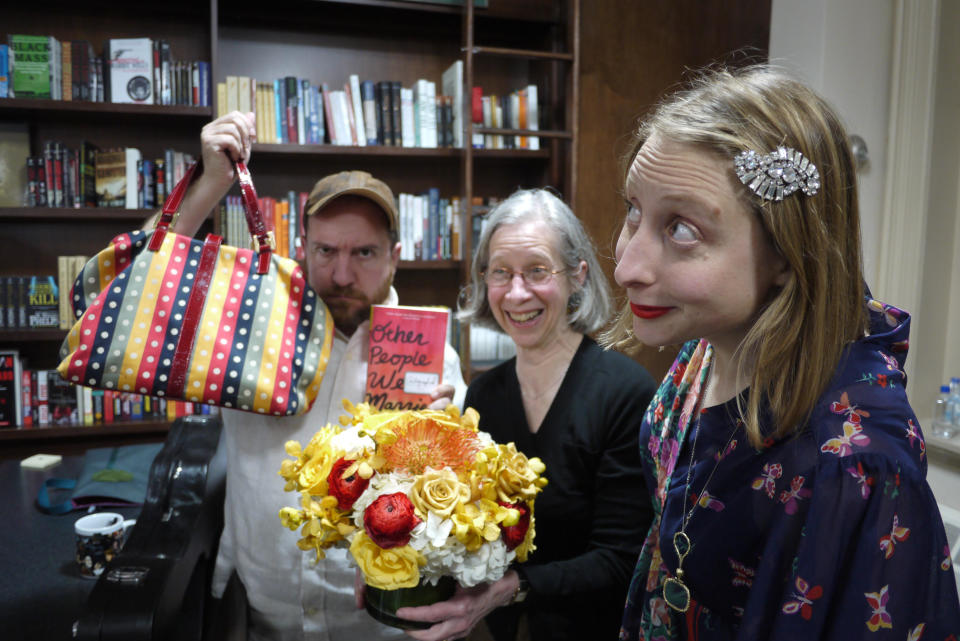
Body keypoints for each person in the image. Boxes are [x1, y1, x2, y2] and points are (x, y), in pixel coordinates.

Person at [607, 65, 960, 639]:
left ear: (786, 248)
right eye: (632, 211)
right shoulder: (708, 345)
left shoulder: (854, 466)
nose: (626, 266)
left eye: (681, 229)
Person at [161, 111, 468, 641]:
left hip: (378, 625)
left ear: (395, 259)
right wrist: (211, 182)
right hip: (259, 615)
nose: (342, 275)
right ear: (301, 247)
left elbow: (453, 515)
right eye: (326, 251)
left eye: (364, 253)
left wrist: (446, 449)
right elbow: (127, 297)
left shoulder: (433, 360)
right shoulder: (247, 325)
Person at [396, 188, 657, 641]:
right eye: (501, 273)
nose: (517, 293)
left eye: (537, 271)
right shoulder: (483, 395)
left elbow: (622, 559)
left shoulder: (625, 392)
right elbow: (472, 536)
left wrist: (510, 590)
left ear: (577, 276)